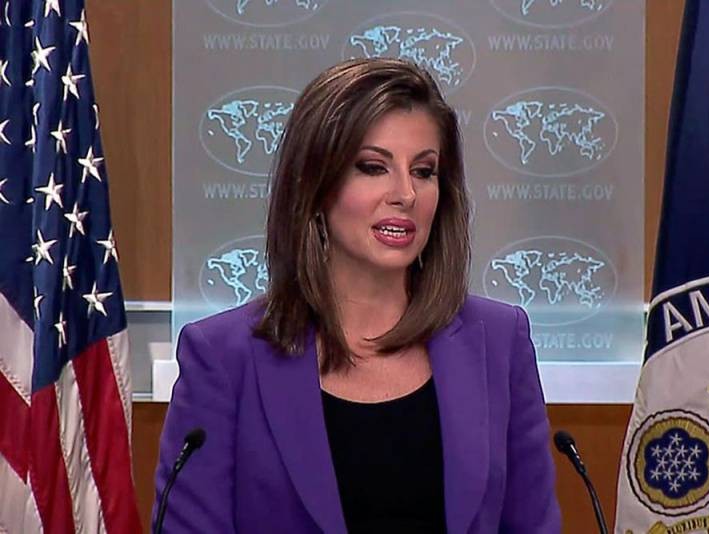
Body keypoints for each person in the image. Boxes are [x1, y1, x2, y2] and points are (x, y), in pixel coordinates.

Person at [153, 57, 561, 533]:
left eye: (424, 171)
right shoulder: (223, 358)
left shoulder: (500, 341)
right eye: (372, 167)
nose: (405, 194)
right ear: (315, 186)